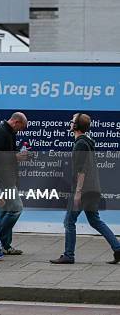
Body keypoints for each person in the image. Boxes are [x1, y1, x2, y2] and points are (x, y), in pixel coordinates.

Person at [51, 113, 120, 265]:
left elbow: (81, 170)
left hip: (83, 190)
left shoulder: (81, 144)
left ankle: (68, 255)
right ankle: (118, 248)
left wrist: (77, 193)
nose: (70, 123)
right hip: (93, 189)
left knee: (69, 221)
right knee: (95, 221)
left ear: (76, 126)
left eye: (72, 121)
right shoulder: (87, 142)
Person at [0, 112, 28, 255]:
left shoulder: (9, 132)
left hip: (7, 177)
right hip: (3, 178)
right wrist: (15, 156)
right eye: (21, 128)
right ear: (16, 122)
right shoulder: (1, 132)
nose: (20, 131)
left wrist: (18, 156)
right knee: (16, 208)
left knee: (5, 210)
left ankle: (4, 245)